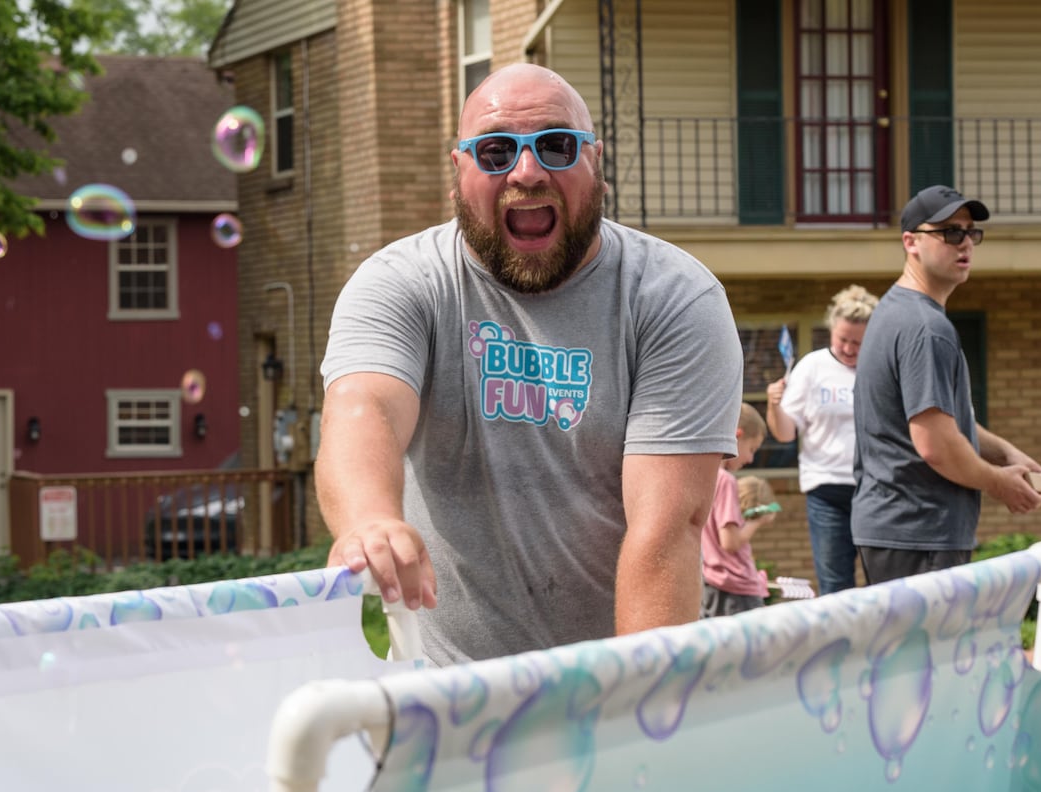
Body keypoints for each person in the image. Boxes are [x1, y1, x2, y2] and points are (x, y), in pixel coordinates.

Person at [315, 63, 743, 666]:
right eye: (494, 151)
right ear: (458, 171)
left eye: (556, 145)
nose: (527, 172)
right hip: (442, 690)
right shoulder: (400, 283)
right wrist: (369, 521)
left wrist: (634, 706)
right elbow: (366, 408)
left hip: (603, 681)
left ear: (596, 161)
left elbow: (665, 533)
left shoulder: (673, 298)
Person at [850, 185, 1041, 585]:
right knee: (929, 651)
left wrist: (1005, 453)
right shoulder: (926, 328)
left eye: (970, 232)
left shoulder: (897, 311)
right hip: (919, 530)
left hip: (901, 530)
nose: (965, 244)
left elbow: (938, 420)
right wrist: (998, 483)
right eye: (949, 233)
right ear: (912, 242)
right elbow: (936, 444)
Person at [765, 284, 879, 593]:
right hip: (826, 489)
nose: (849, 349)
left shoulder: (879, 367)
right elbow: (786, 433)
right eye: (843, 339)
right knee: (835, 586)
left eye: (858, 342)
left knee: (881, 583)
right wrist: (774, 404)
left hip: (875, 488)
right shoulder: (813, 367)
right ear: (831, 330)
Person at [701, 404, 774, 617]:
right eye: (751, 449)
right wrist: (758, 521)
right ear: (737, 435)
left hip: (709, 583)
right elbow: (730, 542)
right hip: (735, 586)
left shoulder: (705, 476)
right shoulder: (725, 481)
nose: (751, 459)